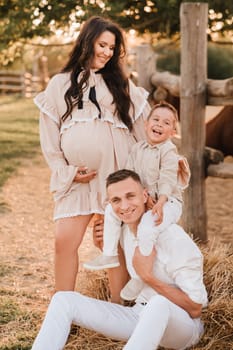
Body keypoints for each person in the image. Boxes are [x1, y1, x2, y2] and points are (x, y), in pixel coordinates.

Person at [33, 16, 150, 291]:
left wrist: (145, 175)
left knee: (111, 243)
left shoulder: (122, 84)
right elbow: (49, 139)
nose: (107, 53)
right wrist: (68, 172)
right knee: (64, 241)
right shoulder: (60, 84)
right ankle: (64, 307)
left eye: (112, 48)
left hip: (115, 176)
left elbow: (141, 131)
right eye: (102, 45)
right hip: (77, 179)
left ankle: (119, 307)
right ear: (87, 42)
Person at [31, 169, 208, 350]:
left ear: (145, 195)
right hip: (140, 314)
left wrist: (149, 278)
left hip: (184, 327)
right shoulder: (125, 233)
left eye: (130, 196)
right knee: (63, 300)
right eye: (116, 200)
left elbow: (195, 308)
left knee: (159, 303)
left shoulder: (175, 240)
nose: (124, 206)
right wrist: (104, 244)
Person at [83, 101, 191, 301]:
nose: (159, 124)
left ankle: (143, 275)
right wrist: (118, 196)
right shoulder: (137, 149)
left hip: (168, 203)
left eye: (166, 123)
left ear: (172, 131)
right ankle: (109, 253)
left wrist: (160, 203)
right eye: (156, 119)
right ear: (146, 124)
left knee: (147, 228)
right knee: (111, 211)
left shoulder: (168, 151)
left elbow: (167, 178)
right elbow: (129, 176)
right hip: (144, 199)